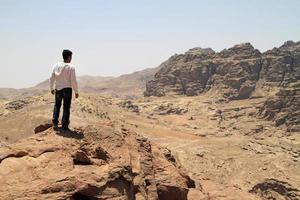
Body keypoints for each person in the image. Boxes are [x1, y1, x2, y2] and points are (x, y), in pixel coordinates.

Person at [50, 49, 79, 131]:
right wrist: (76, 91)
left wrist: (51, 88)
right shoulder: (71, 67)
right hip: (67, 89)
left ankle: (55, 124)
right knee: (66, 107)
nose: (71, 59)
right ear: (69, 57)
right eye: (71, 57)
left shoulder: (56, 65)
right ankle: (64, 125)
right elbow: (73, 80)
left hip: (58, 89)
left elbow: (52, 77)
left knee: (57, 105)